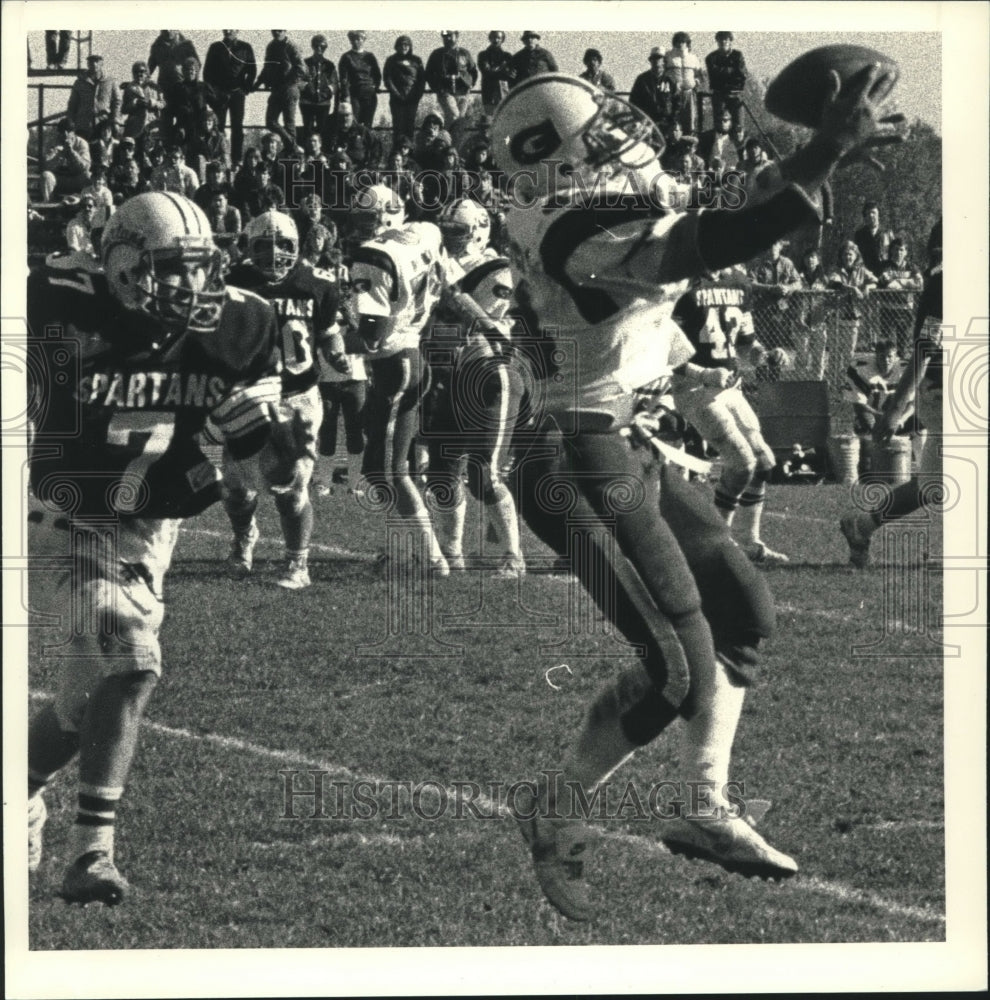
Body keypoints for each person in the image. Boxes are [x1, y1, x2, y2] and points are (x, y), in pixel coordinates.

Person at [490, 64, 892, 919]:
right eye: (596, 134)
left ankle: (706, 807)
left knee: (742, 610)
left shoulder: (587, 209)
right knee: (674, 667)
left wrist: (807, 166)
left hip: (619, 440)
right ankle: (553, 807)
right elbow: (700, 245)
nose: (621, 139)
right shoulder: (564, 223)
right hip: (572, 456)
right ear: (563, 161)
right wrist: (821, 151)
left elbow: (717, 224)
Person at [27, 191, 286, 905]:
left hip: (150, 526)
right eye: (170, 269)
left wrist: (258, 430)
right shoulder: (56, 299)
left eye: (197, 269)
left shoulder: (239, 322)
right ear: (121, 261)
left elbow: (279, 461)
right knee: (134, 658)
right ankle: (91, 856)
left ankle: (18, 790)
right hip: (65, 513)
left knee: (84, 703)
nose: (187, 287)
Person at [223, 211, 340, 589]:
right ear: (249, 247)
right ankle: (245, 536)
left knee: (290, 490)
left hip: (296, 398)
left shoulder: (317, 283)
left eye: (283, 246)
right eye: (264, 246)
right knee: (236, 490)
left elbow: (329, 335)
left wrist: (340, 354)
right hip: (245, 396)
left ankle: (297, 564)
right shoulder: (232, 281)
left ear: (297, 247)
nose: (274, 255)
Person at [348, 184, 450, 574]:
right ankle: (409, 551)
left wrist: (328, 340)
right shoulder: (423, 233)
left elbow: (373, 332)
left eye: (367, 219)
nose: (360, 228)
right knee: (393, 468)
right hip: (411, 356)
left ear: (386, 216)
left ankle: (429, 556)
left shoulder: (375, 256)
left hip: (395, 364)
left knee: (384, 470)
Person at [423, 198, 527, 576]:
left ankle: (513, 556)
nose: (449, 240)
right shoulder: (442, 265)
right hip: (448, 373)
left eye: (457, 233)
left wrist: (449, 294)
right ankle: (452, 557)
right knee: (442, 473)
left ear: (478, 232)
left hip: (490, 373)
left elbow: (479, 323)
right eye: (446, 232)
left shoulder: (496, 267)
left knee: (484, 474)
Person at [840, 220, 943, 568]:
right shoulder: (945, 284)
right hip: (946, 389)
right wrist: (896, 408)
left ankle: (861, 526)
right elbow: (926, 346)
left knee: (930, 486)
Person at [671, 270, 789, 564]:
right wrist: (705, 373)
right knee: (742, 462)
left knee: (763, 463)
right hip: (694, 387)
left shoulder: (739, 284)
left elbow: (747, 345)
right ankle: (714, 547)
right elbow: (662, 348)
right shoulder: (683, 282)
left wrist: (766, 353)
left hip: (729, 387)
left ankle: (749, 542)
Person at [203, 30, 257, 165]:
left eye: (231, 28)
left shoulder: (246, 47)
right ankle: (217, 159)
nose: (228, 31)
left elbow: (252, 70)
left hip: (237, 94)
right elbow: (207, 73)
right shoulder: (215, 47)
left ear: (237, 29)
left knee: (237, 127)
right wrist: (213, 93)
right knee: (217, 127)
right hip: (219, 95)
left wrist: (246, 88)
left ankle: (236, 160)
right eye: (225, 28)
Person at [256, 30, 307, 151]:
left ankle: (292, 153)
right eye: (274, 30)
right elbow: (267, 67)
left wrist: (290, 82)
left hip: (289, 89)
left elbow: (301, 68)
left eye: (279, 30)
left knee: (289, 123)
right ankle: (293, 146)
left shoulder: (291, 46)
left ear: (285, 31)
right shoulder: (271, 46)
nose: (277, 33)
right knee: (271, 121)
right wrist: (257, 83)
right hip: (276, 89)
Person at [877, 237, 924, 357]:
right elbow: (889, 284)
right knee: (887, 347)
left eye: (902, 250)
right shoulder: (885, 265)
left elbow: (919, 283)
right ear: (891, 250)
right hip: (887, 310)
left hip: (905, 310)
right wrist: (908, 282)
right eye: (896, 249)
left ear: (906, 252)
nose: (899, 252)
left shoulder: (912, 267)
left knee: (903, 348)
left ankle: (900, 375)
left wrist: (900, 281)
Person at [425, 31, 478, 128]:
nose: (447, 38)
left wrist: (470, 85)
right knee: (454, 116)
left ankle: (452, 142)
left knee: (460, 122)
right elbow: (428, 73)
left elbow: (473, 71)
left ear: (456, 36)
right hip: (445, 92)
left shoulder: (464, 53)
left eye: (449, 36)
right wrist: (437, 88)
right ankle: (446, 142)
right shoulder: (437, 54)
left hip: (463, 92)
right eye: (445, 36)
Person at [162, 56, 211, 155]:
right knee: (178, 143)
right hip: (182, 125)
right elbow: (170, 108)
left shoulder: (203, 87)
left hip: (199, 126)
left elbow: (215, 103)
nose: (190, 72)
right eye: (187, 69)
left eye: (192, 69)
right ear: (183, 71)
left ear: (196, 71)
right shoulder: (177, 87)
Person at [383, 35, 426, 144]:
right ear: (396, 46)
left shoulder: (417, 60)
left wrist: (417, 96)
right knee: (398, 127)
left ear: (410, 46)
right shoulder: (391, 60)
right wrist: (397, 94)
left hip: (412, 99)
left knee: (409, 126)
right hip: (397, 99)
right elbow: (387, 79)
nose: (404, 47)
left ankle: (409, 153)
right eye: (401, 45)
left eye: (406, 45)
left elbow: (421, 80)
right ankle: (397, 154)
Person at [67, 54, 121, 141]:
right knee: (83, 151)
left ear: (102, 63)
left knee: (102, 151)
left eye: (97, 61)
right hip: (83, 125)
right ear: (88, 64)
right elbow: (72, 104)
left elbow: (117, 101)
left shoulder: (110, 81)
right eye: (91, 62)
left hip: (103, 125)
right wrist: (71, 122)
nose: (94, 64)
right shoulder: (80, 82)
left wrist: (115, 120)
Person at [300, 35, 339, 145]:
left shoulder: (330, 65)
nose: (319, 49)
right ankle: (308, 156)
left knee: (323, 129)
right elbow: (298, 79)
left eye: (322, 47)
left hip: (323, 104)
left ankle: (322, 156)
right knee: (308, 129)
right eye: (317, 46)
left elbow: (334, 84)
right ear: (313, 47)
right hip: (307, 103)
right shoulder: (305, 63)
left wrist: (325, 94)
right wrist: (308, 89)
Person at [338, 31, 382, 129]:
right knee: (354, 123)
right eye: (354, 39)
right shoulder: (346, 57)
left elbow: (377, 74)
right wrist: (346, 95)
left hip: (369, 94)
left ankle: (366, 144)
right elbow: (343, 78)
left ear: (363, 40)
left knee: (368, 124)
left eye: (359, 39)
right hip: (354, 95)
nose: (357, 41)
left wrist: (376, 86)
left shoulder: (370, 57)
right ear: (351, 40)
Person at [41, 117, 92, 201]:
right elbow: (46, 165)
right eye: (62, 132)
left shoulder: (82, 143)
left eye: (68, 131)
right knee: (46, 175)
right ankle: (48, 205)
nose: (65, 134)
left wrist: (72, 152)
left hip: (75, 178)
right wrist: (58, 155)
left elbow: (86, 166)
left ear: (73, 132)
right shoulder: (52, 142)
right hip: (59, 178)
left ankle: (85, 203)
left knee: (88, 176)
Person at [664, 32, 705, 134]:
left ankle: (689, 143)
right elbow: (663, 73)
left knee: (690, 120)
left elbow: (700, 76)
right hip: (673, 94)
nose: (681, 44)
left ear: (687, 43)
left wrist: (695, 82)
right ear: (674, 43)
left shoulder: (693, 58)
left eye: (683, 42)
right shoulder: (668, 56)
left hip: (689, 93)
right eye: (678, 42)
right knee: (673, 119)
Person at [705, 31, 747, 129]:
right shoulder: (711, 58)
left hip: (736, 94)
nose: (723, 41)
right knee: (720, 126)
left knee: (738, 126)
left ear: (730, 41)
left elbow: (742, 74)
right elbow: (714, 74)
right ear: (717, 41)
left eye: (726, 39)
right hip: (719, 95)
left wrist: (722, 71)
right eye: (721, 39)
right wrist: (732, 70)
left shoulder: (738, 55)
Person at [323, 100, 381, 171]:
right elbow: (324, 150)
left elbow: (376, 146)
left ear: (352, 116)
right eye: (342, 116)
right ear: (337, 117)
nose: (344, 119)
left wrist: (371, 166)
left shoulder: (362, 131)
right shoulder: (331, 132)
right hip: (335, 170)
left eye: (347, 115)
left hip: (358, 169)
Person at [629, 48, 677, 132]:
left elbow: (677, 102)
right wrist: (639, 120)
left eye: (659, 58)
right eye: (653, 58)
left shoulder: (670, 80)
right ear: (650, 61)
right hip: (646, 123)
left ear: (663, 60)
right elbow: (633, 102)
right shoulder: (642, 79)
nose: (656, 61)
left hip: (667, 123)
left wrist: (674, 123)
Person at [121, 61, 163, 143]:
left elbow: (163, 103)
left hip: (152, 123)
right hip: (135, 126)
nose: (139, 74)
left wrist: (153, 103)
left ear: (146, 72)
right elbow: (124, 109)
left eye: (142, 71)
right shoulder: (129, 88)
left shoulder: (154, 87)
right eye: (136, 72)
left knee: (152, 151)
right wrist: (135, 103)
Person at [477, 31, 515, 115]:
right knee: (490, 117)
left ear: (502, 40)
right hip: (488, 91)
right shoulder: (483, 55)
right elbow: (486, 72)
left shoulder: (507, 56)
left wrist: (496, 71)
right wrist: (502, 69)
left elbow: (511, 74)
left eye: (499, 38)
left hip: (504, 90)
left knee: (504, 117)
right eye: (494, 37)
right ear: (490, 38)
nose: (496, 40)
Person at [853, 200, 894, 277]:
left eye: (873, 213)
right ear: (864, 217)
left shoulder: (887, 232)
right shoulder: (859, 234)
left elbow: (893, 254)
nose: (871, 215)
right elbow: (856, 256)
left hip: (885, 272)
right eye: (868, 213)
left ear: (879, 215)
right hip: (866, 273)